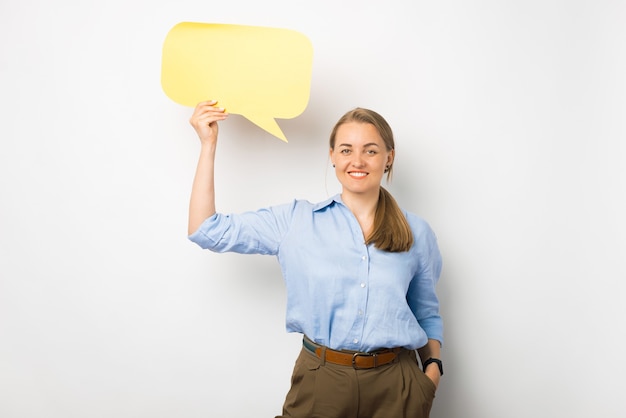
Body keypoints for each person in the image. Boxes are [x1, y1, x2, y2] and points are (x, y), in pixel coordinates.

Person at [187, 100, 444, 418]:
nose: (358, 160)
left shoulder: (416, 232)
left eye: (371, 150)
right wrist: (208, 144)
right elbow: (205, 229)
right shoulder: (296, 221)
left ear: (388, 158)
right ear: (333, 156)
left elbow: (426, 312)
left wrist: (432, 371)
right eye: (347, 150)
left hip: (396, 385)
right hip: (322, 380)